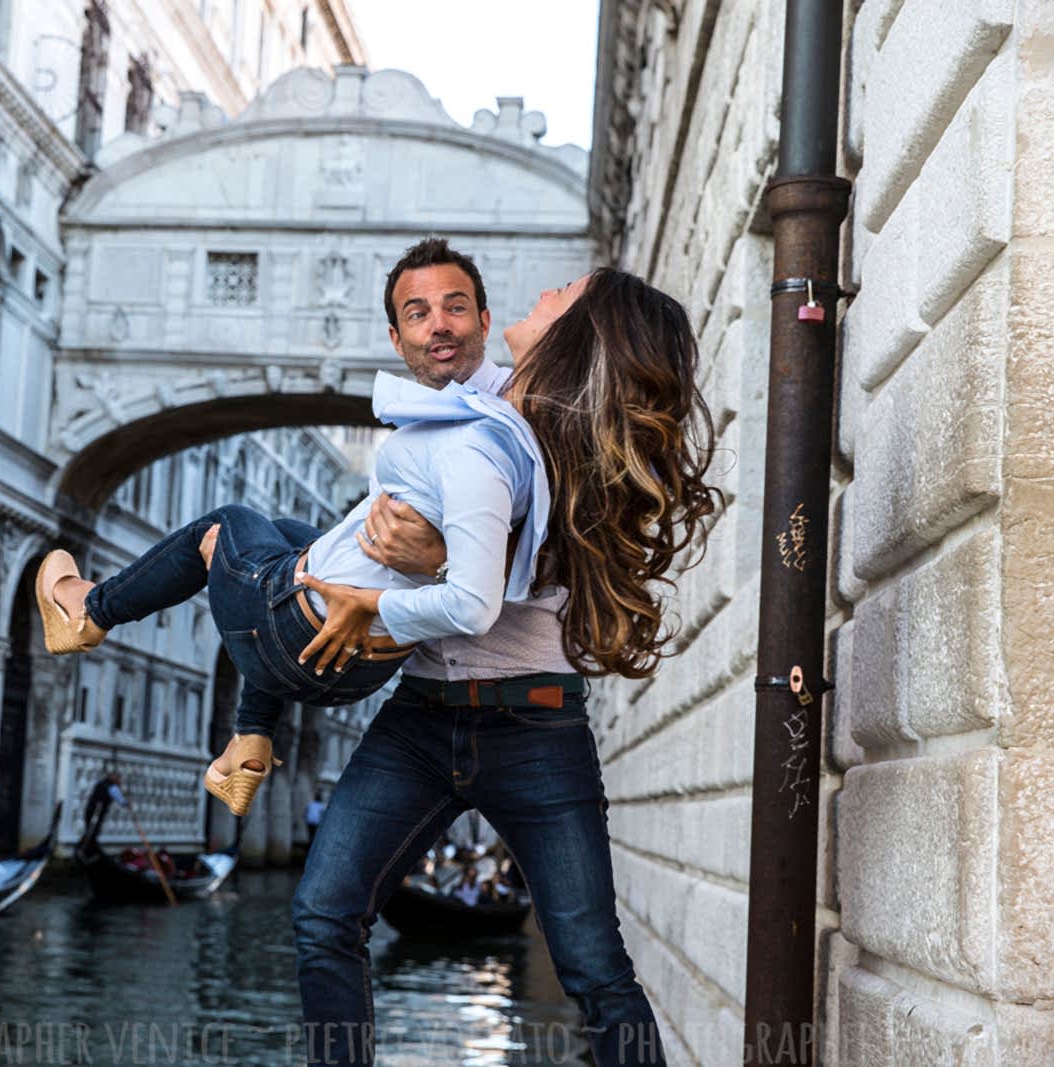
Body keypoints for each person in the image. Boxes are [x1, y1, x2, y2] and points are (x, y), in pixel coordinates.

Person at [290, 241, 721, 1067]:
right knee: (323, 913)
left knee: (595, 967)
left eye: (564, 293)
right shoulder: (471, 407)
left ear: (579, 334)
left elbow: (547, 574)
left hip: (536, 726)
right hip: (421, 711)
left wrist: (445, 560)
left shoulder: (581, 450)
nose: (547, 287)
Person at [37, 246, 554, 820]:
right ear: (394, 334)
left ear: (484, 321)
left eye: (454, 308)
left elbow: (481, 595)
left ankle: (91, 611)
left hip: (307, 638)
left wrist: (384, 590)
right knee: (287, 535)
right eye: (418, 313)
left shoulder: (494, 430)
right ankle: (252, 737)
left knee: (225, 524)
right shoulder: (497, 417)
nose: (543, 297)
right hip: (365, 664)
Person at [81, 771, 130, 839]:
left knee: (91, 830)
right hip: (96, 811)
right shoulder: (111, 787)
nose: (119, 780)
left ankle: (87, 846)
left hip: (91, 809)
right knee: (92, 830)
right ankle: (84, 846)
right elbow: (121, 800)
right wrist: (127, 803)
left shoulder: (102, 784)